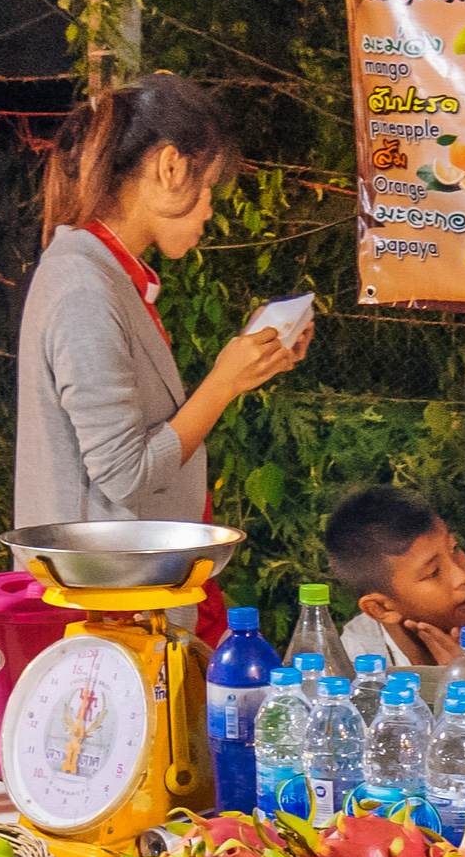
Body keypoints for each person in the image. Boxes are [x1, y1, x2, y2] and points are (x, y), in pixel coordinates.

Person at [15, 74, 304, 530]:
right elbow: (127, 476)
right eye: (208, 185)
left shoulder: (104, 271)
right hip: (105, 593)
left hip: (122, 583)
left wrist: (249, 362)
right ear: (170, 167)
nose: (209, 208)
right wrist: (223, 384)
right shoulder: (85, 286)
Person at [323, 484, 465, 666]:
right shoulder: (360, 654)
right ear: (381, 608)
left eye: (455, 549)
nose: (462, 576)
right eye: (433, 573)